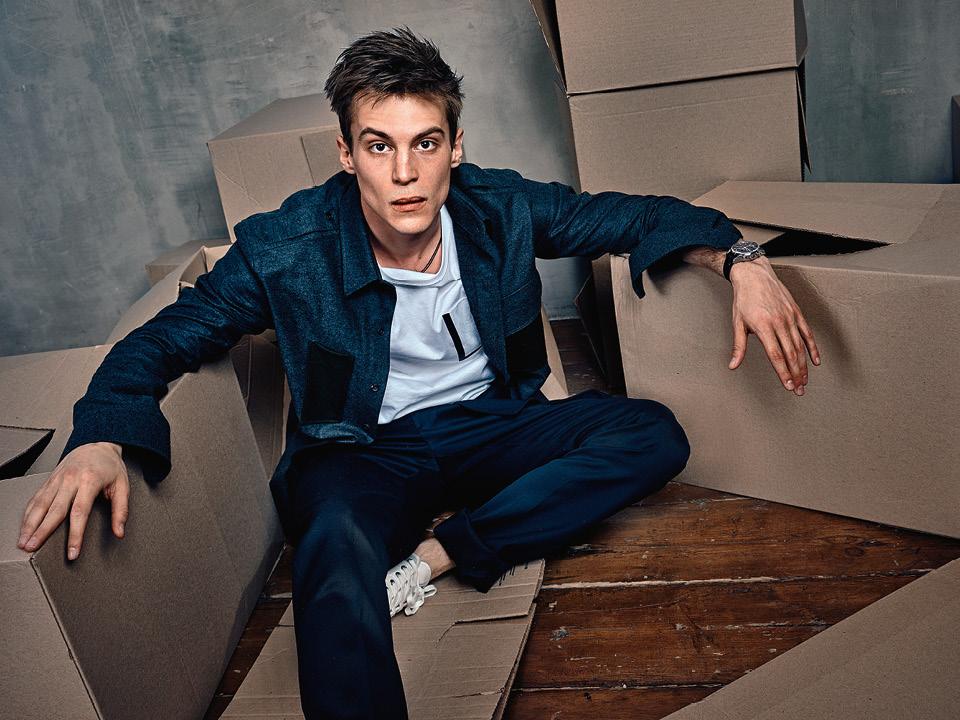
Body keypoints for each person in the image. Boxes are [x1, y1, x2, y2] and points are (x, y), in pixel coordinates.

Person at [17, 27, 820, 720]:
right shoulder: (286, 246)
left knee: (651, 433)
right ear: (346, 153)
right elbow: (166, 338)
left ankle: (442, 555)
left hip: (488, 423)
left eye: (425, 143)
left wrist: (741, 260)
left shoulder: (500, 208)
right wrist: (101, 436)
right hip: (361, 449)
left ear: (454, 147)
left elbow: (637, 215)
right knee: (331, 552)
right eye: (379, 145)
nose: (405, 172)